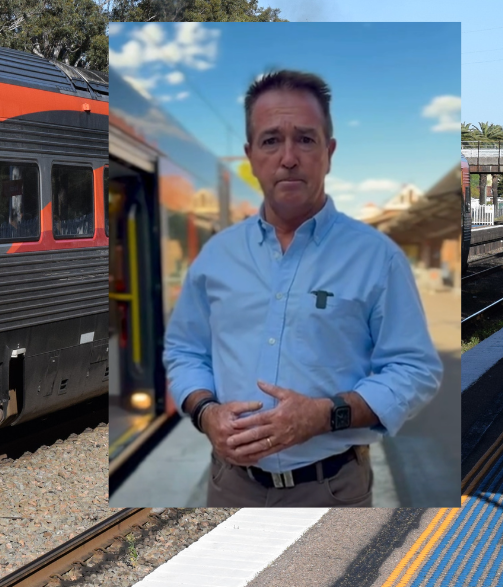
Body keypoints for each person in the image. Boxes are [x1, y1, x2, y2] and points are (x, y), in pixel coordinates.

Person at [163, 70, 442, 507]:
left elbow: (415, 368)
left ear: (329, 153)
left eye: (306, 140)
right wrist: (205, 411)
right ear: (250, 156)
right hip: (229, 486)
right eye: (271, 140)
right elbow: (184, 350)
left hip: (333, 489)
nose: (289, 157)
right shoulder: (216, 256)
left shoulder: (377, 257)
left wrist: (325, 415)